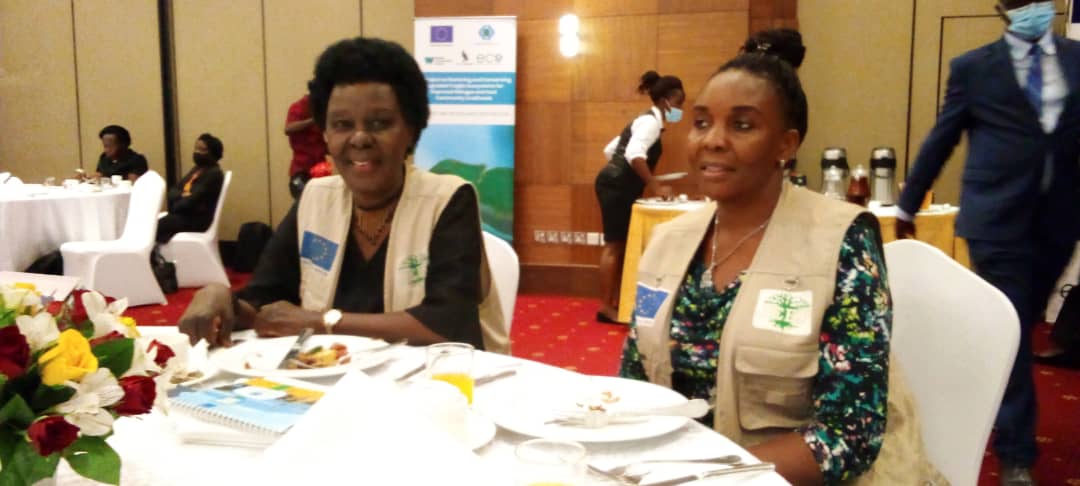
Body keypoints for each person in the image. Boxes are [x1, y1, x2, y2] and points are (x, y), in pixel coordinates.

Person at [619, 49, 943, 484]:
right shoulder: (667, 242)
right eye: (701, 122)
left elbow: (850, 434)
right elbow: (633, 383)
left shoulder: (841, 241)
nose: (713, 140)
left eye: (742, 125)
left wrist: (708, 477)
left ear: (786, 145)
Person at [177, 37, 508, 355]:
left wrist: (323, 322)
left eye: (379, 123)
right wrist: (220, 296)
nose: (360, 138)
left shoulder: (447, 200)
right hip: (336, 382)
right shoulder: (314, 199)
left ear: (411, 130)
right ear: (325, 134)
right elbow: (266, 301)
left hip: (438, 383)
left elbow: (449, 323)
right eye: (342, 124)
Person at [895, 1, 1080, 483]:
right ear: (1004, 11)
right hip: (996, 220)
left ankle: (995, 401)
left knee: (1024, 321)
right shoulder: (974, 68)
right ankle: (1017, 454)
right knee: (1014, 327)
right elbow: (943, 137)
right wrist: (908, 204)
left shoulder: (1076, 60)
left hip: (1059, 221)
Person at [594, 70, 685, 323]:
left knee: (619, 243)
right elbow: (634, 153)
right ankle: (605, 307)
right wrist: (654, 185)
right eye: (678, 103)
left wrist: (623, 174)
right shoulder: (650, 123)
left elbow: (611, 150)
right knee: (614, 245)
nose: (680, 110)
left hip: (615, 183)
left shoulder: (645, 120)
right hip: (616, 187)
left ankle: (613, 301)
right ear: (666, 101)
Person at [157, 133, 226, 243]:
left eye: (202, 150)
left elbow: (192, 199)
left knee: (157, 226)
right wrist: (182, 196)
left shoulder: (214, 174)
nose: (197, 152)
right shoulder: (197, 169)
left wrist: (178, 202)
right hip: (186, 215)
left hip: (197, 219)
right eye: (196, 148)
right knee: (154, 224)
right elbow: (174, 190)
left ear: (213, 153)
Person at [285, 93, 330, 199]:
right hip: (301, 169)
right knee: (304, 200)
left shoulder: (323, 111)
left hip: (320, 169)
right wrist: (313, 121)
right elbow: (288, 128)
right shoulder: (298, 107)